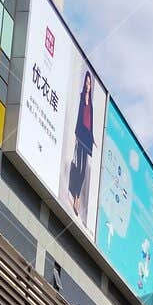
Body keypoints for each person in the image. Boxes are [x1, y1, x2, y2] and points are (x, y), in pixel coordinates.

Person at [67, 71, 95, 217]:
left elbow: (92, 123)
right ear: (84, 83)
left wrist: (93, 139)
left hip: (87, 137)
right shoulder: (81, 98)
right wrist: (76, 134)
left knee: (84, 170)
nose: (88, 85)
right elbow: (79, 117)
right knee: (78, 167)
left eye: (90, 83)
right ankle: (75, 199)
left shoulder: (91, 103)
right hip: (80, 134)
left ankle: (77, 197)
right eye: (87, 82)